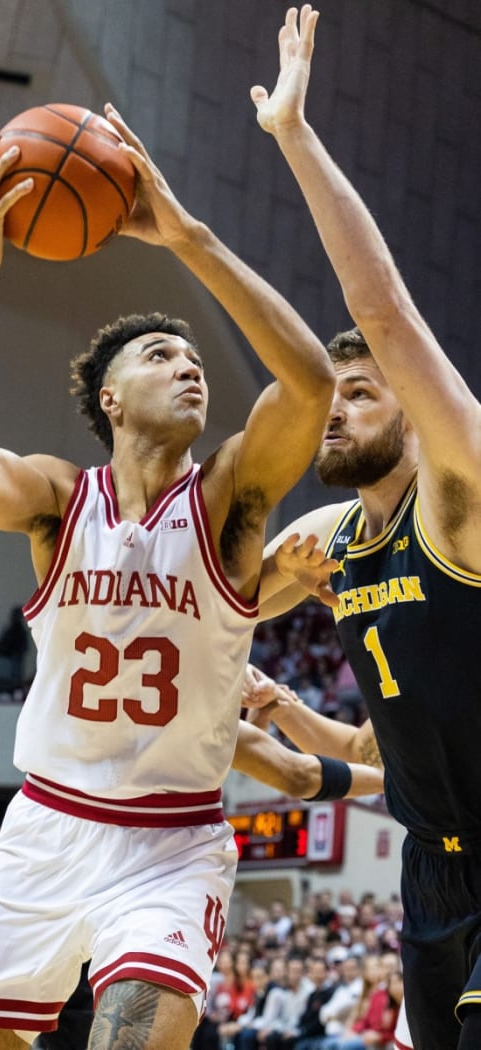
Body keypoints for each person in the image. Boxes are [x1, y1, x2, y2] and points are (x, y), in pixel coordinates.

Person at [0, 94, 337, 1049]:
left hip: (170, 844)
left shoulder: (230, 504)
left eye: (196, 358)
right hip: (44, 827)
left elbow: (309, 383)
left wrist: (186, 235)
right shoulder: (58, 500)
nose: (190, 367)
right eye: (163, 354)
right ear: (110, 397)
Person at [245, 7, 481, 1049]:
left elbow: (382, 311)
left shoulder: (461, 497)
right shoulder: (335, 541)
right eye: (325, 395)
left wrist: (294, 136)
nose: (331, 408)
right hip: (429, 866)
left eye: (359, 393)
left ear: (417, 419)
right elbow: (224, 604)